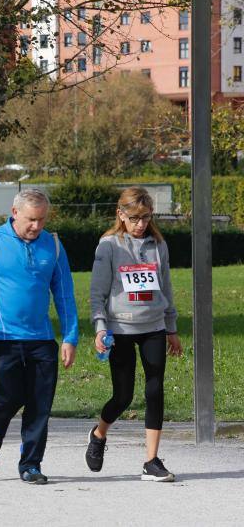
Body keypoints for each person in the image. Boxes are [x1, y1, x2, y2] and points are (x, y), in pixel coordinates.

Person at [0, 189, 78, 485]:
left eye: (41, 220)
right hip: (3, 338)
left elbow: (64, 293)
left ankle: (31, 464)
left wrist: (70, 336)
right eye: (31, 220)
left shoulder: (52, 244)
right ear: (14, 213)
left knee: (40, 404)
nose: (36, 226)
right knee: (8, 397)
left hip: (41, 339)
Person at [85, 187, 183, 482]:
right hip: (121, 328)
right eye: (135, 218)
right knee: (124, 395)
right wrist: (101, 328)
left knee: (155, 390)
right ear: (121, 215)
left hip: (153, 326)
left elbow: (165, 288)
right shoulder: (108, 245)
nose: (141, 224)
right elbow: (97, 294)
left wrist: (172, 328)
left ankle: (151, 461)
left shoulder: (158, 245)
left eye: (146, 217)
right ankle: (99, 433)